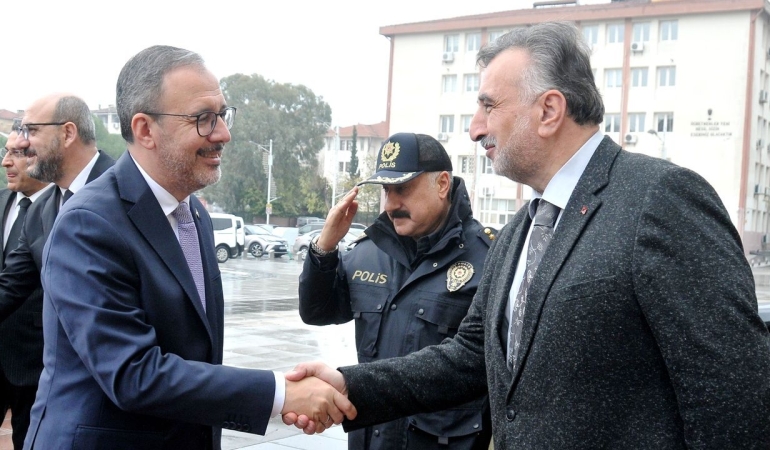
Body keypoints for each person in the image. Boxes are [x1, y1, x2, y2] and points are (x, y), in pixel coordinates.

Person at [285, 22, 770, 448]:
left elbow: (732, 393)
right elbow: (469, 356)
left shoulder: (661, 199)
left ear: (549, 110)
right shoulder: (521, 228)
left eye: (488, 106)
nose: (475, 130)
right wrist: (351, 386)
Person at [23, 45, 354, 450]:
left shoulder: (192, 213)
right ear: (145, 129)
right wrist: (280, 393)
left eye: (222, 115)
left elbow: (193, 357)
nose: (223, 134)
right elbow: (133, 374)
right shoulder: (89, 223)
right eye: (203, 119)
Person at [299, 132, 494, 450]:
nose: (390, 204)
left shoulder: (488, 258)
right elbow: (318, 311)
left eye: (402, 189)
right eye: (386, 191)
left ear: (442, 184)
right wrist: (325, 246)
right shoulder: (368, 252)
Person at [0, 130, 51, 449]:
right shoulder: (3, 200)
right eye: (5, 152)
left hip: (33, 362)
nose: (6, 162)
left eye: (16, 154)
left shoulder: (63, 209)